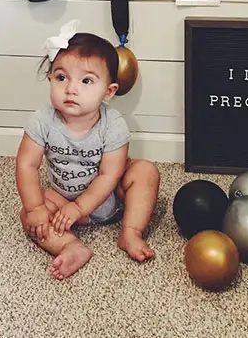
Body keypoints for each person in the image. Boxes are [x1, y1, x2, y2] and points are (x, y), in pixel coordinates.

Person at [15, 20, 160, 280]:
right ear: (49, 80)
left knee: (145, 171)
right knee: (28, 214)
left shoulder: (113, 125)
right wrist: (37, 207)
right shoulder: (41, 121)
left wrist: (81, 208)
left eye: (86, 81)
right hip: (61, 201)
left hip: (109, 201)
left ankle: (130, 231)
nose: (71, 88)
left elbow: (109, 175)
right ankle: (70, 246)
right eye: (61, 78)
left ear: (108, 91)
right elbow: (26, 165)